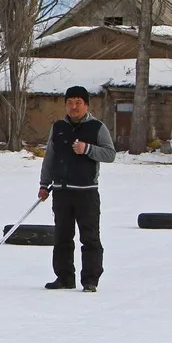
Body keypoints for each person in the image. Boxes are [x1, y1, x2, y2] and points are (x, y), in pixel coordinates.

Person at [39, 85, 115, 292]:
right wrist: (44, 184)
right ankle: (64, 277)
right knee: (62, 236)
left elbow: (110, 154)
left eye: (78, 103)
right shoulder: (58, 127)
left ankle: (90, 279)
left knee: (89, 237)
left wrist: (87, 149)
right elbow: (50, 158)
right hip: (62, 191)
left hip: (86, 192)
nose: (73, 107)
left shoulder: (97, 128)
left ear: (86, 105)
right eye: (70, 103)